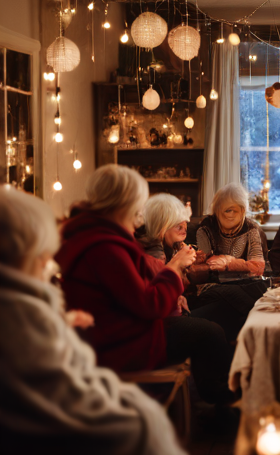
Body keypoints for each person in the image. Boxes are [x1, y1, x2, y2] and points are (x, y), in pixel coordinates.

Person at [0, 186, 189, 455]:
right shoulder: (105, 248)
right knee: (142, 423)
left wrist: (62, 323)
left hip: (95, 355)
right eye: (43, 256)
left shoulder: (25, 299)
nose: (48, 263)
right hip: (40, 434)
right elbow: (56, 388)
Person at [55, 164, 234, 405]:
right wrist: (173, 269)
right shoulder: (105, 247)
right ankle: (220, 406)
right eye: (139, 205)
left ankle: (213, 402)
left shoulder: (92, 235)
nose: (141, 215)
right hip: (119, 343)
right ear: (124, 204)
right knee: (209, 333)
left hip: (112, 331)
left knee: (209, 325)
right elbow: (150, 304)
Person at [196, 182, 266, 275]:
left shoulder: (252, 229)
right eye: (227, 210)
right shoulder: (206, 227)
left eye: (235, 210)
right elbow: (201, 268)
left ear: (243, 211)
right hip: (213, 283)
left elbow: (258, 268)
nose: (231, 215)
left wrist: (229, 262)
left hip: (246, 283)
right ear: (217, 210)